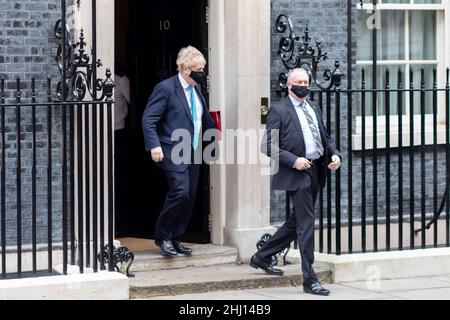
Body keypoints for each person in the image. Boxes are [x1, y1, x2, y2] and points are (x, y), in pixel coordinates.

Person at [250, 68, 342, 296]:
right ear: (289, 86)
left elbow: (325, 138)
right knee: (306, 224)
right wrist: (294, 161)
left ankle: (262, 256)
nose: (304, 84)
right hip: (296, 173)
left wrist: (335, 155)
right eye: (299, 81)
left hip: (316, 171)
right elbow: (267, 146)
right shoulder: (278, 110)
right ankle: (310, 279)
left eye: (306, 81)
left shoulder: (314, 108)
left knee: (297, 221)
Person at [142, 46, 216, 257]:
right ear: (184, 69)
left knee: (190, 196)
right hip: (171, 148)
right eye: (198, 69)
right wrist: (154, 145)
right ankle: (162, 236)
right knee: (180, 191)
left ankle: (175, 238)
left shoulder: (197, 89)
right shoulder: (166, 88)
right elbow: (149, 119)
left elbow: (200, 118)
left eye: (203, 68)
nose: (202, 72)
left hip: (193, 149)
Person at [114, 64, 130, 238]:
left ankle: (123, 223)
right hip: (102, 132)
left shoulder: (121, 79)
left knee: (121, 177)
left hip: (119, 132)